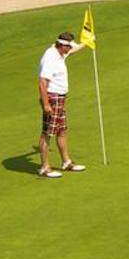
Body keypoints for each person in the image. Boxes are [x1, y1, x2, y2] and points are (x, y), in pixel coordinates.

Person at [35, 33, 86, 178]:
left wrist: (87, 42)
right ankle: (45, 167)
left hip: (60, 98)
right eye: (68, 46)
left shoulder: (60, 53)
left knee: (62, 130)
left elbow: (73, 50)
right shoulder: (50, 58)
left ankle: (66, 162)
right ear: (62, 45)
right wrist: (45, 104)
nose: (70, 49)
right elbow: (42, 82)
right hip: (52, 98)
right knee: (47, 132)